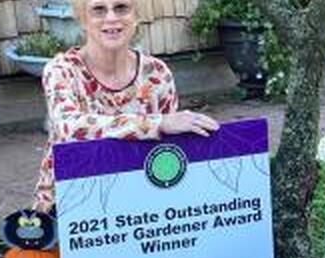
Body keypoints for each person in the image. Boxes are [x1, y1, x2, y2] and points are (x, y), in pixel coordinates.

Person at [32, 0, 219, 213]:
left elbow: (168, 151)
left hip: (139, 204)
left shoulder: (157, 73)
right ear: (83, 19)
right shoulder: (62, 70)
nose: (111, 18)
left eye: (121, 7)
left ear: (136, 16)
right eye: (98, 9)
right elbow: (71, 128)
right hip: (71, 206)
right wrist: (157, 124)